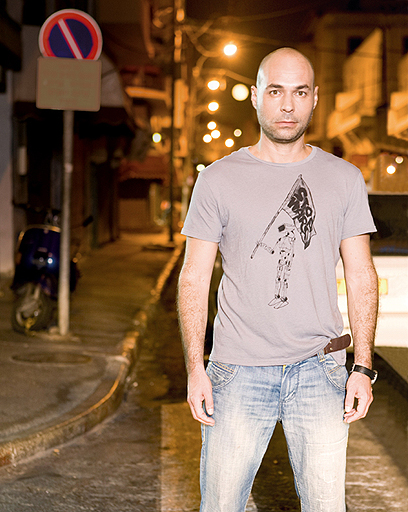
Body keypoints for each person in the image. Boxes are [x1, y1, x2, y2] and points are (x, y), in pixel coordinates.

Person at [177, 47, 378, 512]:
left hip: (320, 370)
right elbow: (193, 278)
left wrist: (363, 367)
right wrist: (194, 368)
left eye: (300, 92)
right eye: (275, 91)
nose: (287, 105)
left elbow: (361, 274)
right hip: (237, 369)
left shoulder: (345, 178)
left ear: (315, 98)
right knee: (221, 505)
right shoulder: (217, 180)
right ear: (255, 96)